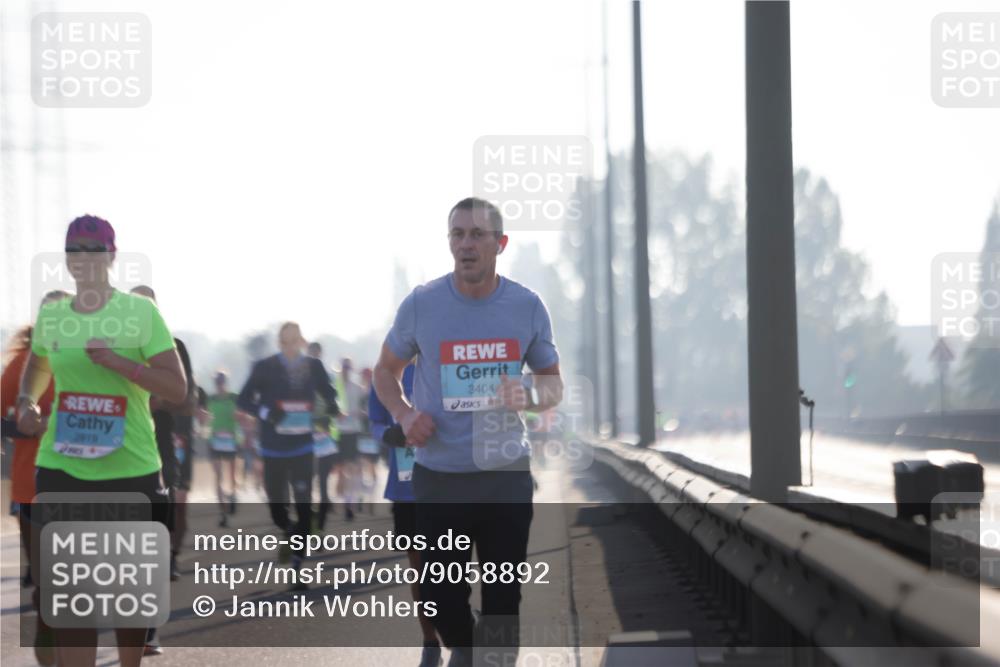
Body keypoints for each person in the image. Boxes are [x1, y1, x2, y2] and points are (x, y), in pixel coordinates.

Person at [373, 197, 563, 666]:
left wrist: (531, 396)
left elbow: (552, 385)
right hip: (441, 477)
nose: (466, 244)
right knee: (441, 597)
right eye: (457, 234)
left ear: (500, 244)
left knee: (503, 599)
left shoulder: (526, 306)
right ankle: (472, 651)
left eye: (477, 234)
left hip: (505, 476)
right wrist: (404, 414)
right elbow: (384, 371)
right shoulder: (422, 304)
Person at [17, 215, 187, 667]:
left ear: (112, 256)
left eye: (94, 250)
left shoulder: (139, 313)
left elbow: (176, 387)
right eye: (75, 250)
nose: (84, 258)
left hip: (130, 468)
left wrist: (118, 363)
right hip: (62, 466)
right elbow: (38, 364)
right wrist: (26, 401)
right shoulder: (54, 314)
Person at [236, 322, 339, 587]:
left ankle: (296, 566)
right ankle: (289, 531)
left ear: (301, 341)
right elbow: (244, 400)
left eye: (295, 340)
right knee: (277, 511)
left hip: (303, 446)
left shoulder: (313, 366)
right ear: (280, 343)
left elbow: (329, 392)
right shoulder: (265, 366)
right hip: (272, 447)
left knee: (304, 504)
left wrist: (330, 404)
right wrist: (267, 413)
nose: (291, 345)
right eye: (286, 340)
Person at [1, 289, 69, 667]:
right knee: (47, 581)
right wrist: (30, 425)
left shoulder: (88, 361)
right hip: (31, 485)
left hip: (84, 483)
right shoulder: (20, 366)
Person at [370, 363, 442, 667]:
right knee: (420, 570)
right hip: (406, 488)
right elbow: (374, 423)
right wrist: (391, 434)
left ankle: (460, 621)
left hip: (446, 484)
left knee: (451, 567)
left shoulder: (440, 365)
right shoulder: (386, 374)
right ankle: (430, 644)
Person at [307, 342, 340, 530]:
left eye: (316, 355)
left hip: (324, 438)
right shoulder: (299, 382)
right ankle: (314, 525)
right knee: (309, 485)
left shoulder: (328, 382)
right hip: (307, 437)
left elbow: (334, 407)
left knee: (322, 485)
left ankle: (320, 528)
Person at [205, 371, 242, 527]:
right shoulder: (210, 399)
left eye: (221, 382)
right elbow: (206, 417)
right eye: (217, 382)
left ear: (225, 382)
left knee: (232, 476)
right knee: (218, 476)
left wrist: (239, 419)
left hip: (231, 440)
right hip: (215, 441)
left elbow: (242, 415)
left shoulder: (234, 397)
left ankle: (233, 495)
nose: (219, 385)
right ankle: (223, 513)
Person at [334, 357, 365, 518]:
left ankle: (350, 501)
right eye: (343, 368)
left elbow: (364, 409)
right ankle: (344, 499)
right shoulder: (334, 388)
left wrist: (359, 414)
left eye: (348, 368)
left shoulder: (357, 388)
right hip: (338, 433)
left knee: (352, 468)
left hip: (353, 431)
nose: (345, 371)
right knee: (340, 470)